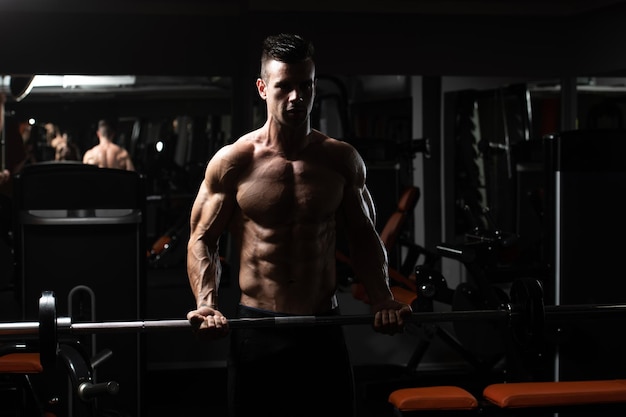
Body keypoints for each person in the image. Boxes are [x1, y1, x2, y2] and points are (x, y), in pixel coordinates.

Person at [185, 33, 413, 417]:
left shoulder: (341, 161)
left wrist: (382, 298)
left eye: (305, 86)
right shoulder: (234, 162)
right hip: (257, 328)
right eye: (283, 87)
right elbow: (202, 239)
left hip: (321, 326)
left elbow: (363, 235)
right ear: (262, 88)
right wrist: (207, 304)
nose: (296, 98)